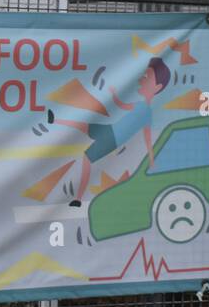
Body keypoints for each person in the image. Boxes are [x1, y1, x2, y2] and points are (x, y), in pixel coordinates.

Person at [47, 56, 171, 206]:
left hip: (112, 139)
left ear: (157, 87)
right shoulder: (140, 105)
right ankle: (55, 120)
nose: (141, 80)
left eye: (146, 77)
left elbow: (147, 137)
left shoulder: (146, 112)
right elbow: (122, 105)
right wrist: (114, 94)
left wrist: (151, 159)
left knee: (86, 158)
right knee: (83, 126)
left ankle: (78, 199)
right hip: (109, 130)